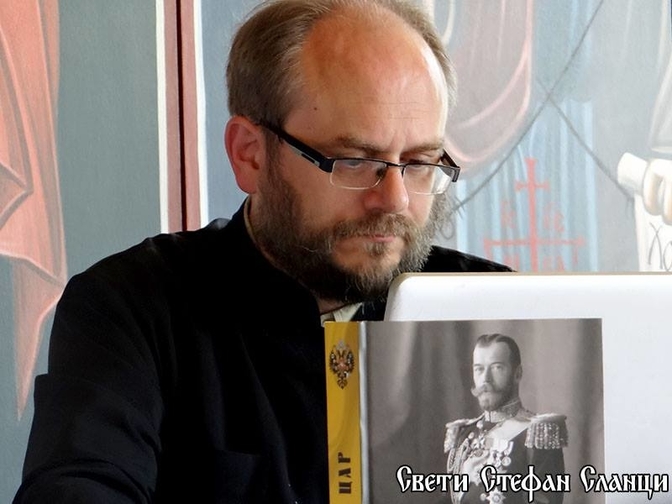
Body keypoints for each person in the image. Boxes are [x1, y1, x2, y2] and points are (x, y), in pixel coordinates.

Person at [13, 0, 512, 502]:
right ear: (250, 154)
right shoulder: (133, 308)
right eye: (354, 161)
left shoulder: (493, 310)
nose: (396, 200)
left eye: (420, 163)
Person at [444, 333, 567, 504]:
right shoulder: (463, 435)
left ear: (517, 374)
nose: (485, 379)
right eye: (479, 369)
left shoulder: (537, 435)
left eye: (496, 368)